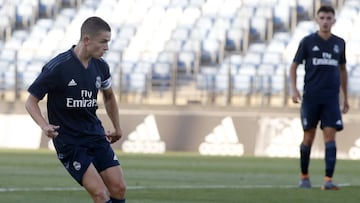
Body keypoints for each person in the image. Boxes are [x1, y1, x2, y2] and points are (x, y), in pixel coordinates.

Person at [25, 16, 126, 202]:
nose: (107, 48)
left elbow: (109, 95)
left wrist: (117, 126)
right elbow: (31, 100)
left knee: (119, 188)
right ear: (87, 40)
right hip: (70, 141)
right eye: (103, 42)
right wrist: (44, 125)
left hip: (95, 135)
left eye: (108, 42)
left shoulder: (101, 66)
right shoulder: (58, 67)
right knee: (100, 194)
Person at [290, 5, 349, 190]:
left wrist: (345, 97)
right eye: (322, 17)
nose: (325, 21)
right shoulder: (307, 42)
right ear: (317, 20)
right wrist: (294, 89)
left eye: (328, 18)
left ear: (334, 20)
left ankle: (328, 180)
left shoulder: (340, 43)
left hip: (331, 98)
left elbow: (342, 70)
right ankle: (304, 176)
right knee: (308, 136)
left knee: (330, 137)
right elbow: (294, 66)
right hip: (311, 97)